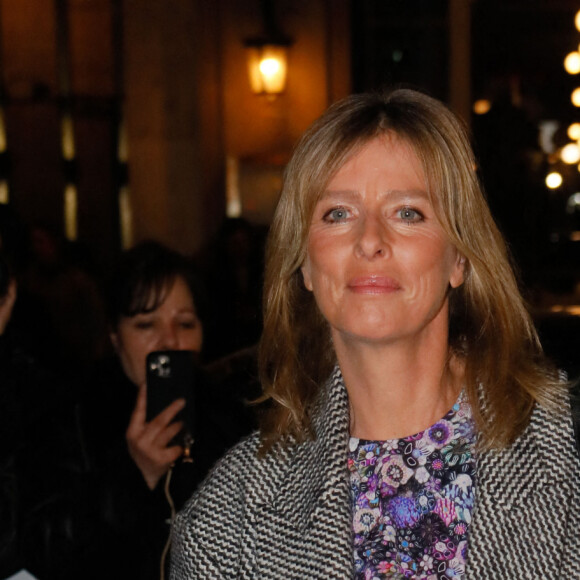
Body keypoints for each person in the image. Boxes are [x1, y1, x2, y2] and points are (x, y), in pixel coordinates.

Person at [170, 89, 580, 579]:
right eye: (337, 214)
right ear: (304, 262)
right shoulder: (227, 522)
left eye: (408, 212)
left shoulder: (565, 456)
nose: (369, 241)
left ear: (460, 257)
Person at [81, 241, 254, 579]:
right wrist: (135, 477)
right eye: (146, 325)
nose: (170, 341)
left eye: (186, 324)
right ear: (115, 337)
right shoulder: (77, 420)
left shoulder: (235, 419)